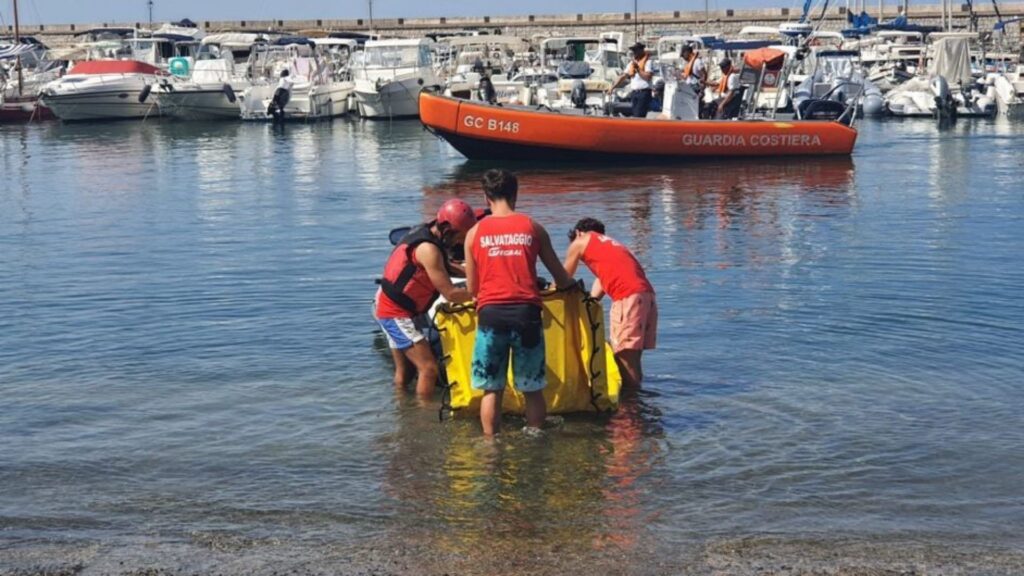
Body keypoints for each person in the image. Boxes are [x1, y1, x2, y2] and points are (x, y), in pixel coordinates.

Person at [464, 169, 574, 436]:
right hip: (527, 315)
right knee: (532, 388)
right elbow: (561, 277)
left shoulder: (474, 233)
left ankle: (491, 444)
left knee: (492, 388)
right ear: (516, 194)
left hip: (491, 316)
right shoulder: (533, 228)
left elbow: (472, 289)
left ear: (486, 196)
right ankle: (534, 439)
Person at [374, 199, 477, 398]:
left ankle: (402, 408)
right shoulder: (428, 249)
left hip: (392, 304)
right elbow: (451, 294)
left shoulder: (428, 234)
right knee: (428, 369)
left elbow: (444, 266)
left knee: (405, 372)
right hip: (395, 312)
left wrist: (473, 272)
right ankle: (424, 414)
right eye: (460, 238)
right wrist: (482, 293)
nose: (460, 243)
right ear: (447, 230)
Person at [563, 218, 657, 389]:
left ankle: (630, 403)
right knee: (633, 360)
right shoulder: (612, 246)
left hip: (627, 297)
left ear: (578, 233)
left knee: (624, 360)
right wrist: (589, 303)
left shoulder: (580, 241)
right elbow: (600, 286)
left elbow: (563, 278)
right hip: (646, 297)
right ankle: (638, 397)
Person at [609, 42, 655, 118]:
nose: (634, 52)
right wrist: (612, 87)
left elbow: (648, 77)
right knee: (635, 114)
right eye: (633, 50)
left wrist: (638, 69)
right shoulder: (631, 63)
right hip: (634, 93)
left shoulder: (648, 62)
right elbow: (623, 76)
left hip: (644, 93)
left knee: (639, 116)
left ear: (641, 50)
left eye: (636, 50)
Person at [678, 45, 707, 119]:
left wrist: (702, 90)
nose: (683, 57)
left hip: (696, 89)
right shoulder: (688, 63)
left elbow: (704, 74)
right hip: (689, 90)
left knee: (697, 111)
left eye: (683, 54)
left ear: (687, 52)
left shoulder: (697, 61)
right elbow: (687, 77)